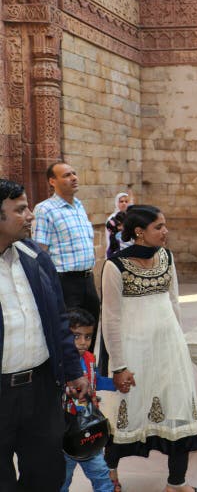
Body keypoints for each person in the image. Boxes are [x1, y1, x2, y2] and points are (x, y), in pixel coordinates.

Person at [100, 205, 197, 491]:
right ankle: (109, 475)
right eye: (159, 227)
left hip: (168, 348)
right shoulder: (115, 265)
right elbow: (111, 318)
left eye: (165, 225)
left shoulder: (166, 257)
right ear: (139, 232)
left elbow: (174, 302)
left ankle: (176, 483)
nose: (165, 231)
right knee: (124, 412)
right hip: (133, 351)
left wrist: (179, 343)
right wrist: (118, 365)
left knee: (178, 408)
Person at [0, 178, 90, 491]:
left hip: (40, 389)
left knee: (46, 475)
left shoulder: (35, 257)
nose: (30, 216)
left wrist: (74, 371)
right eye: (20, 209)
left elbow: (58, 319)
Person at [33, 162, 100, 326]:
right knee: (70, 333)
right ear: (52, 181)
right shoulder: (44, 209)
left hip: (87, 280)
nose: (74, 178)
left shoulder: (79, 205)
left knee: (90, 328)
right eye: (66, 175)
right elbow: (40, 251)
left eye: (74, 173)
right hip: (65, 283)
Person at [62, 307, 116, 492]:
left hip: (90, 431)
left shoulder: (89, 359)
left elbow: (96, 380)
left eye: (88, 336)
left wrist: (115, 383)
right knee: (62, 479)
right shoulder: (60, 364)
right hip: (65, 434)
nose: (83, 342)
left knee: (101, 475)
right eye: (76, 336)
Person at [105, 193, 131, 258]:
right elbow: (109, 237)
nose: (124, 203)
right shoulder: (111, 218)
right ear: (117, 203)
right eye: (121, 201)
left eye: (126, 201)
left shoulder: (131, 217)